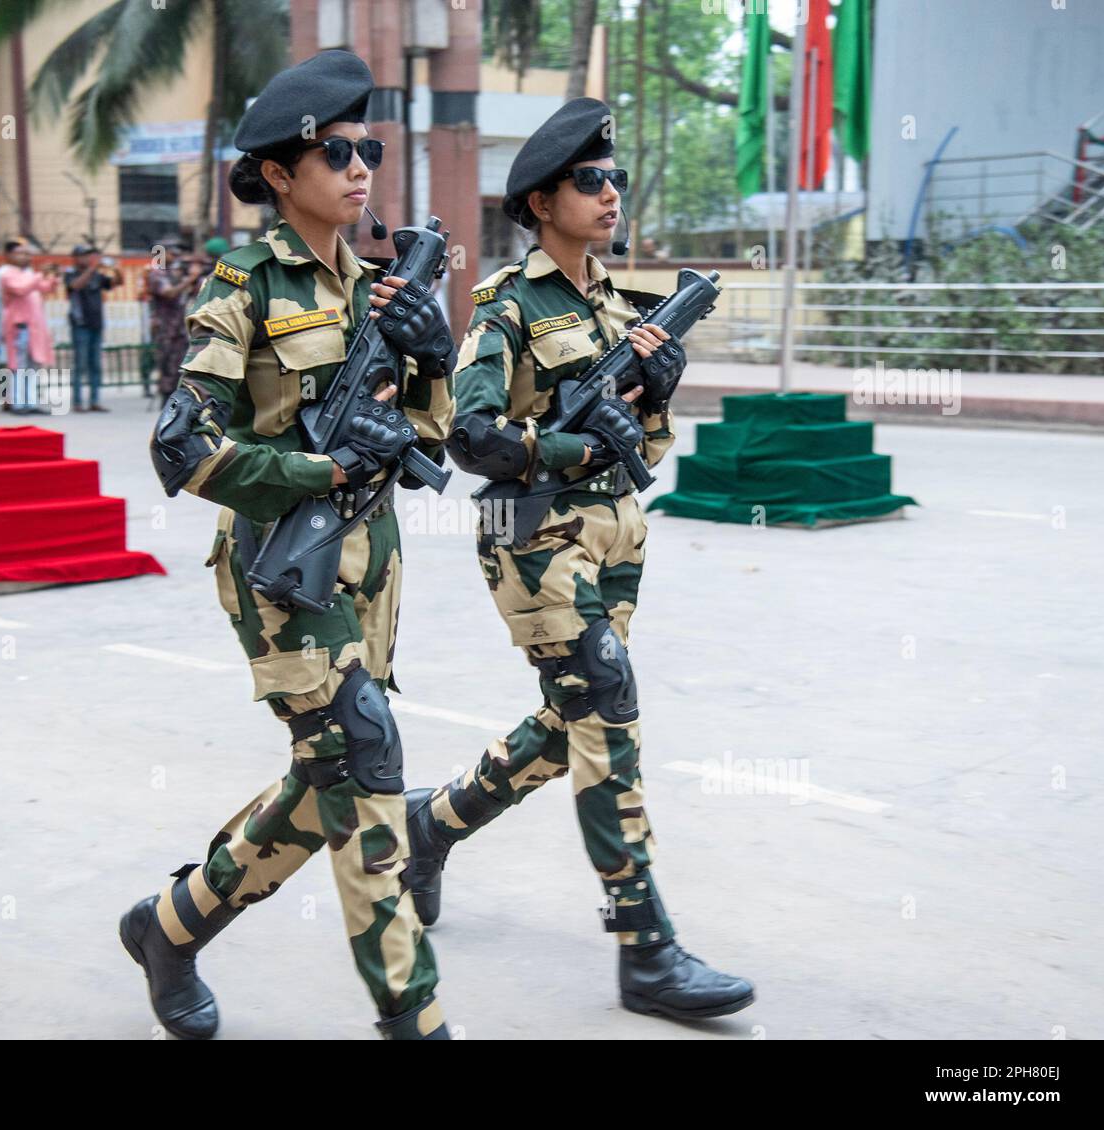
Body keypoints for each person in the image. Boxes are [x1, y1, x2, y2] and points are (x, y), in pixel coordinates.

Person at [122, 49, 458, 1041]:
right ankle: (415, 1018)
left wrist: (433, 358)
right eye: (336, 151)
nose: (361, 167)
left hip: (370, 570)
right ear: (279, 174)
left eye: (369, 148)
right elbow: (179, 447)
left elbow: (428, 444)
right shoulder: (245, 287)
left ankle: (171, 926)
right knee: (366, 758)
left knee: (332, 776)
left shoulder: (385, 289)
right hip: (284, 571)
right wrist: (315, 471)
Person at [401, 97, 757, 1024]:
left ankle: (428, 826)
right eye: (592, 182)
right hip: (535, 538)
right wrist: (569, 447)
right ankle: (646, 948)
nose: (611, 195)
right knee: (610, 714)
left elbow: (645, 450)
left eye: (616, 180)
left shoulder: (617, 308)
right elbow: (467, 436)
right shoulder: (506, 311)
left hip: (614, 536)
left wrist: (650, 403)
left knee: (571, 727)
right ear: (542, 202)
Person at [147, 239, 209, 408]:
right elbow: (169, 293)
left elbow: (196, 291)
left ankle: (176, 398)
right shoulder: (157, 273)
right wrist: (191, 278)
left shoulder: (176, 273)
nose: (177, 256)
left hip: (179, 327)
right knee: (166, 363)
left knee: (179, 364)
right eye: (172, 253)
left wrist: (196, 277)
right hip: (165, 328)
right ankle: (165, 400)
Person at [0, 238, 58, 414]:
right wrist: (39, 275)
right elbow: (20, 289)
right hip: (20, 326)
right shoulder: (6, 273)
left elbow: (45, 288)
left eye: (26, 253)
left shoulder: (28, 273)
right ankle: (17, 403)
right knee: (19, 366)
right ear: (9, 255)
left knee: (33, 366)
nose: (25, 257)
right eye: (20, 253)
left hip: (34, 328)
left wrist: (53, 278)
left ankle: (31, 402)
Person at [64, 243, 124, 412]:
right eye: (83, 255)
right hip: (80, 324)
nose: (87, 258)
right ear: (75, 258)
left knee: (95, 364)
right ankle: (77, 402)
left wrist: (117, 269)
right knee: (80, 364)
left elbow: (116, 283)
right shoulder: (70, 274)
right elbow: (75, 286)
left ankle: (94, 400)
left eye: (89, 255)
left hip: (96, 324)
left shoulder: (97, 275)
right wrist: (92, 269)